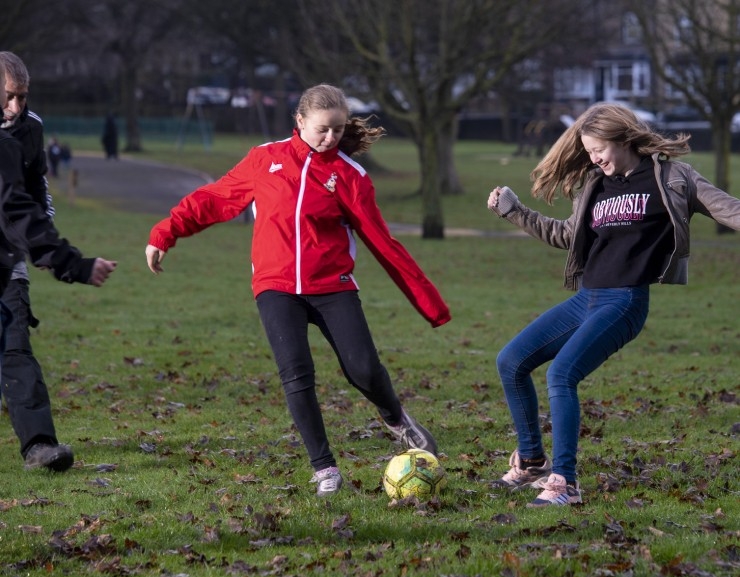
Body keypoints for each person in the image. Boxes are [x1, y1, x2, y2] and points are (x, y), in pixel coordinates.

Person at [145, 83, 451, 496]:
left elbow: (384, 244)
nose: (330, 138)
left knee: (362, 367)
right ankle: (324, 468)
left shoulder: (351, 177)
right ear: (300, 121)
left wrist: (429, 304)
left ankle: (396, 418)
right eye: (323, 129)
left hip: (332, 286)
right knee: (296, 375)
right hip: (275, 287)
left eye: (339, 131)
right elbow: (214, 199)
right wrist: (165, 233)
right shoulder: (264, 159)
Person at [486, 102, 740, 508]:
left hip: (624, 301)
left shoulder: (672, 178)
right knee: (511, 361)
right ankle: (532, 460)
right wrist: (514, 211)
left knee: (561, 375)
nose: (593, 158)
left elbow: (731, 209)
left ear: (623, 139)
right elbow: (566, 235)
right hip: (586, 297)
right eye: (587, 151)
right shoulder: (596, 184)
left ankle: (564, 482)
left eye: (597, 149)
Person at [0, 51, 118, 471]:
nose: (17, 107)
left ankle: (39, 446)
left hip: (7, 260)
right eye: (9, 97)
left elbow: (33, 197)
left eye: (23, 97)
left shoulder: (30, 129)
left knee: (16, 349)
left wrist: (45, 245)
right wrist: (68, 261)